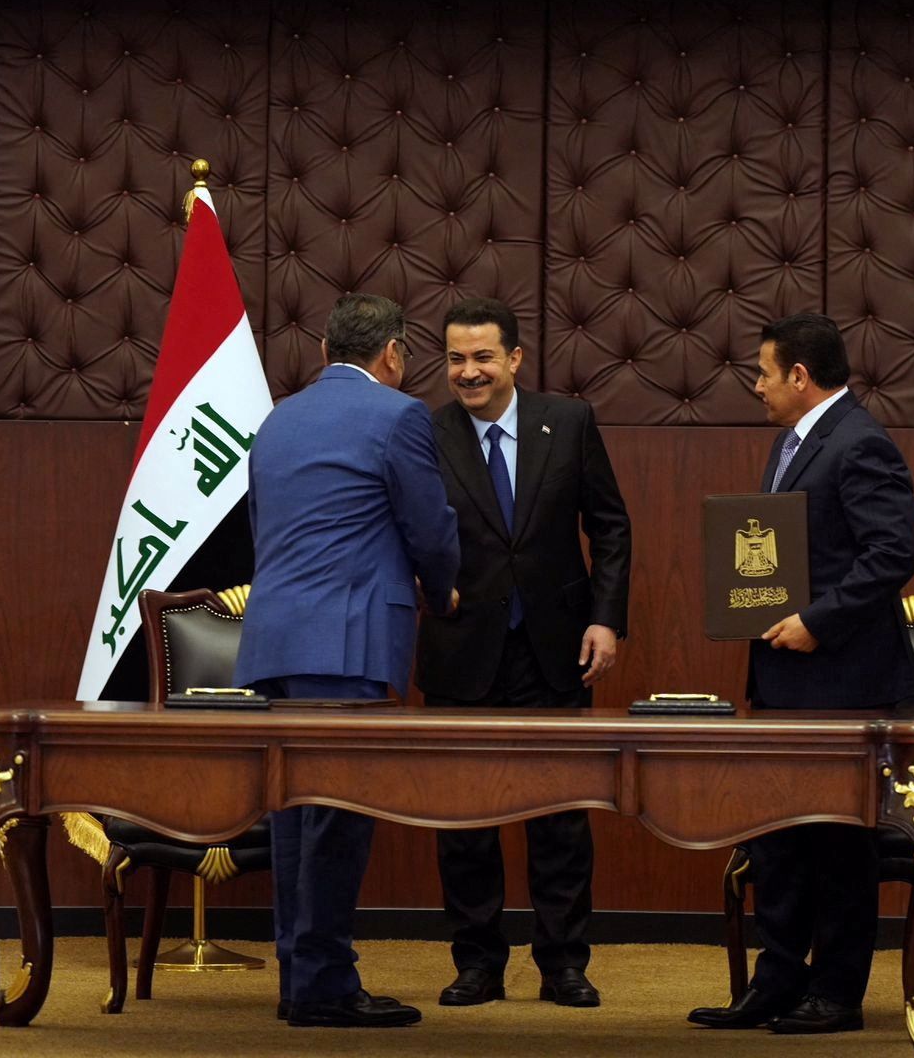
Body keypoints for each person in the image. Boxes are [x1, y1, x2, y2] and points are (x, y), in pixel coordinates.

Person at [688, 311, 914, 1035]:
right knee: (779, 837)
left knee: (836, 842)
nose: (755, 387)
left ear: (799, 375)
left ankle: (838, 993)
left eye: (762, 373)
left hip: (843, 683)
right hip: (786, 682)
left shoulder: (861, 444)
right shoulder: (797, 443)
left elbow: (893, 554)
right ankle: (777, 983)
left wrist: (817, 621)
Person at [233, 293, 460, 1029]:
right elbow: (429, 528)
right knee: (335, 819)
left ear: (326, 351)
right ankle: (324, 985)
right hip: (349, 641)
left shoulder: (277, 419)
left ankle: (301, 977)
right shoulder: (400, 416)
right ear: (392, 354)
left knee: (295, 815)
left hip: (275, 641)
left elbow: (265, 530)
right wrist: (445, 588)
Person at [415, 295, 631, 1010]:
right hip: (459, 651)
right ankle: (477, 963)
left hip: (554, 649)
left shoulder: (568, 422)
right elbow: (399, 526)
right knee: (464, 823)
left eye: (482, 357)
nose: (468, 372)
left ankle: (563, 964)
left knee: (561, 819)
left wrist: (605, 620)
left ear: (514, 358)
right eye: (455, 359)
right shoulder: (425, 431)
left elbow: (611, 528)